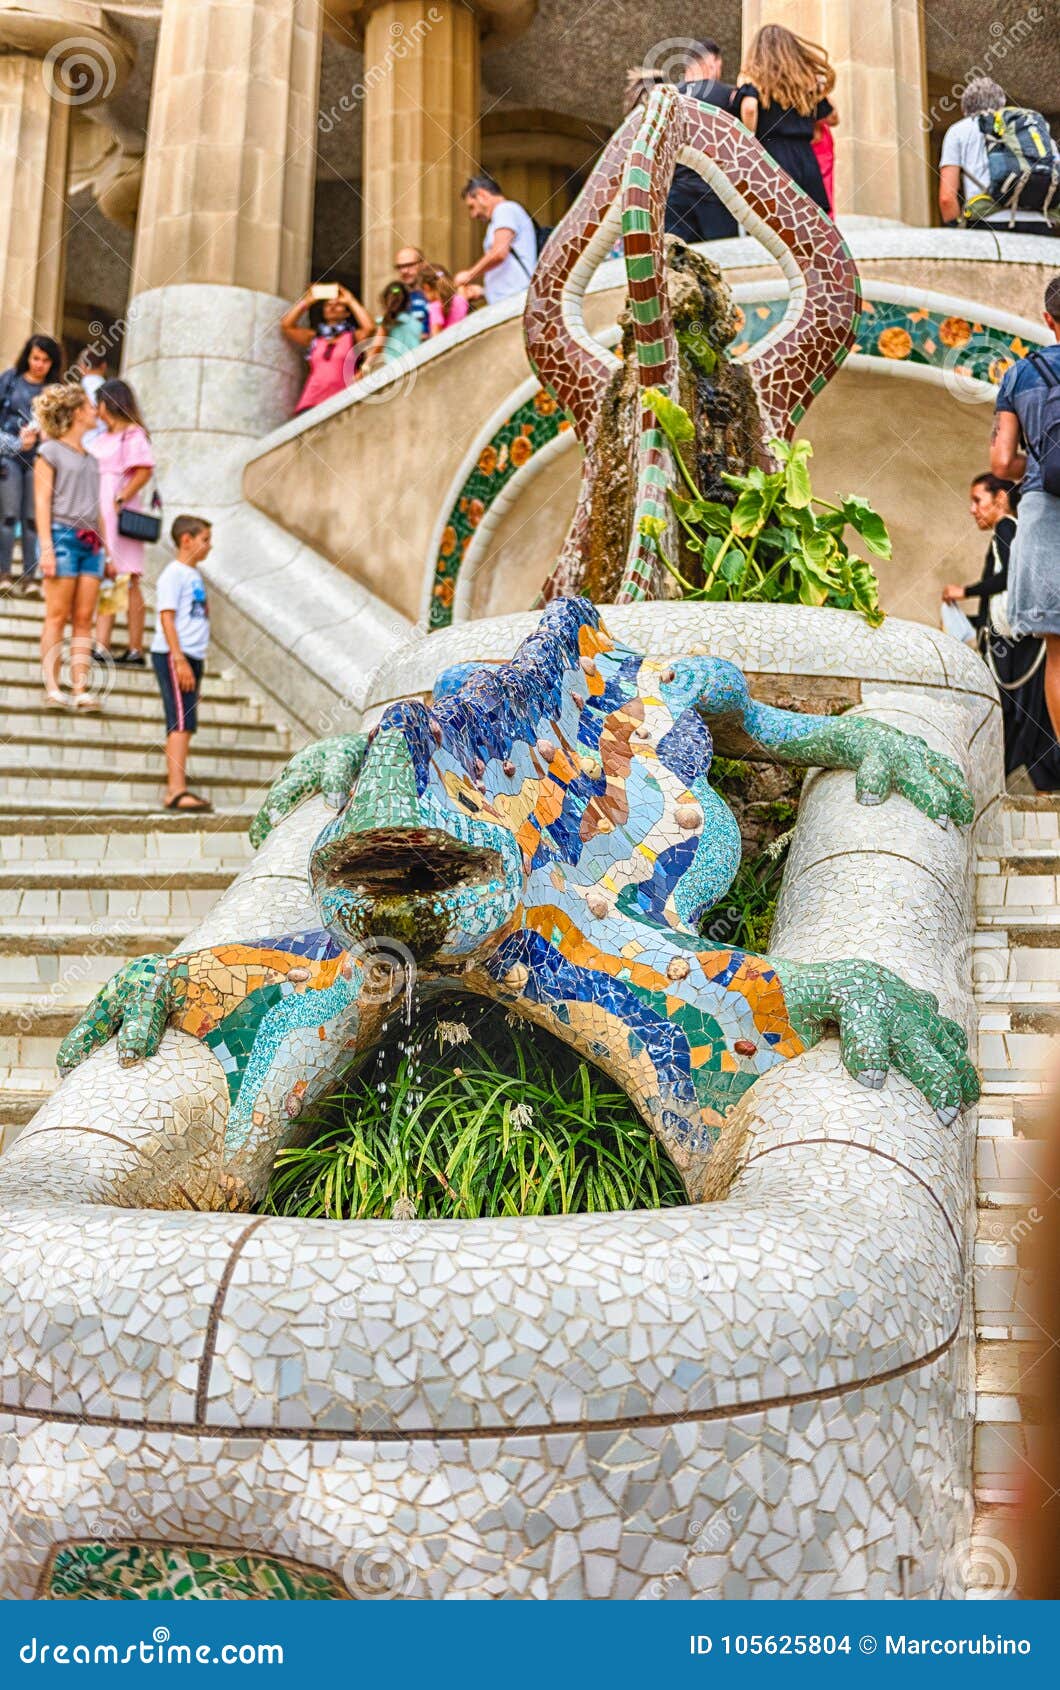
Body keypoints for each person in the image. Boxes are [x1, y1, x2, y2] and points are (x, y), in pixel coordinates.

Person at [944, 475, 1060, 787]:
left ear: (999, 499)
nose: (972, 510)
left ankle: (1000, 784)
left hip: (1014, 648)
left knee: (1014, 713)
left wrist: (964, 591)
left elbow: (1010, 576)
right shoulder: (1013, 530)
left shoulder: (1007, 527)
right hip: (1015, 643)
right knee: (1018, 714)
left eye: (977, 500)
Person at [993, 274, 1060, 746]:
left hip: (1041, 509)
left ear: (1048, 319)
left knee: (1057, 653)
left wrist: (1038, 461)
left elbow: (1000, 461)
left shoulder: (1020, 373)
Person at [32, 380, 107, 711]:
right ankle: (52, 685)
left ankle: (80, 688)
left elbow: (99, 507)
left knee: (84, 617)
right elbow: (41, 501)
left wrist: (108, 550)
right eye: (91, 407)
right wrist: (45, 547)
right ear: (77, 413)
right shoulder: (49, 451)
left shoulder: (93, 459)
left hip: (91, 543)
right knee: (57, 615)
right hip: (61, 536)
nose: (96, 411)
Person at [85, 378, 155, 668]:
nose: (95, 409)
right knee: (111, 576)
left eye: (97, 402)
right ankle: (102, 644)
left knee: (128, 578)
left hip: (119, 512)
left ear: (107, 403)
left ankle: (135, 648)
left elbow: (143, 471)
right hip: (100, 512)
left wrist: (120, 498)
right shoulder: (103, 438)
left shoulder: (132, 434)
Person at [736, 25, 838, 215]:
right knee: (809, 220)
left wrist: (750, 142)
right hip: (805, 158)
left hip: (772, 156)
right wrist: (819, 87)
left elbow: (749, 108)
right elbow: (831, 117)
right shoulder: (804, 87)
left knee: (774, 220)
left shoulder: (755, 84)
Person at [150, 514, 214, 812]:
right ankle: (175, 791)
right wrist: (179, 659)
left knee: (186, 722)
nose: (209, 547)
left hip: (192, 656)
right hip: (176, 655)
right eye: (205, 540)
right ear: (186, 540)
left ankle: (178, 787)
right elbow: (166, 616)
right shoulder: (173, 574)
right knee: (179, 720)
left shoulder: (193, 575)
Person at [939, 78, 1054, 236]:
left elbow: (947, 197)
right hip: (1039, 222)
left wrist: (956, 233)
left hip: (989, 223)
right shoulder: (1028, 127)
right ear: (1002, 105)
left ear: (964, 109)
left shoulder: (958, 130)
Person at [0, 334, 63, 589]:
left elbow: (61, 429)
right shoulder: (10, 380)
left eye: (45, 360)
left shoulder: (55, 389)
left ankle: (30, 576)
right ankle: (3, 572)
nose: (39, 364)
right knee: (8, 514)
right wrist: (16, 443)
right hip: (8, 457)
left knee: (32, 519)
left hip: (40, 459)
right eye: (35, 358)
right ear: (28, 356)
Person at [664, 40, 740, 245]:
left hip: (676, 192)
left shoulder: (669, 95)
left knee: (675, 261)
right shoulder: (727, 94)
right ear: (713, 62)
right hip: (714, 192)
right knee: (723, 257)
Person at [280, 283, 373, 415]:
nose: (332, 306)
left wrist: (350, 300)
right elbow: (286, 325)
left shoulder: (352, 337)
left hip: (342, 400)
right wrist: (308, 301)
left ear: (347, 313)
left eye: (338, 304)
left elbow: (369, 328)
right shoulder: (315, 338)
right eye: (328, 304)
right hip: (311, 401)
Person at [454, 176, 537, 306]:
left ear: (482, 195)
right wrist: (484, 292)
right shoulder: (500, 216)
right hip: (509, 299)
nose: (473, 215)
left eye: (472, 207)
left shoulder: (505, 209)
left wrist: (469, 274)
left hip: (515, 299)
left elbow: (499, 253)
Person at [418, 263, 471, 335]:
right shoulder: (461, 299)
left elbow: (436, 336)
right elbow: (462, 288)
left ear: (426, 287)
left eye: (422, 291)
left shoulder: (435, 307)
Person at [393, 247, 432, 339]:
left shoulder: (436, 294)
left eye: (409, 265)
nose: (404, 271)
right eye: (400, 267)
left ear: (423, 264)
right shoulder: (396, 298)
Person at [75, 346, 108, 443]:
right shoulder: (115, 392)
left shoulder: (75, 394)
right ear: (104, 366)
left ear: (82, 367)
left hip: (81, 447)